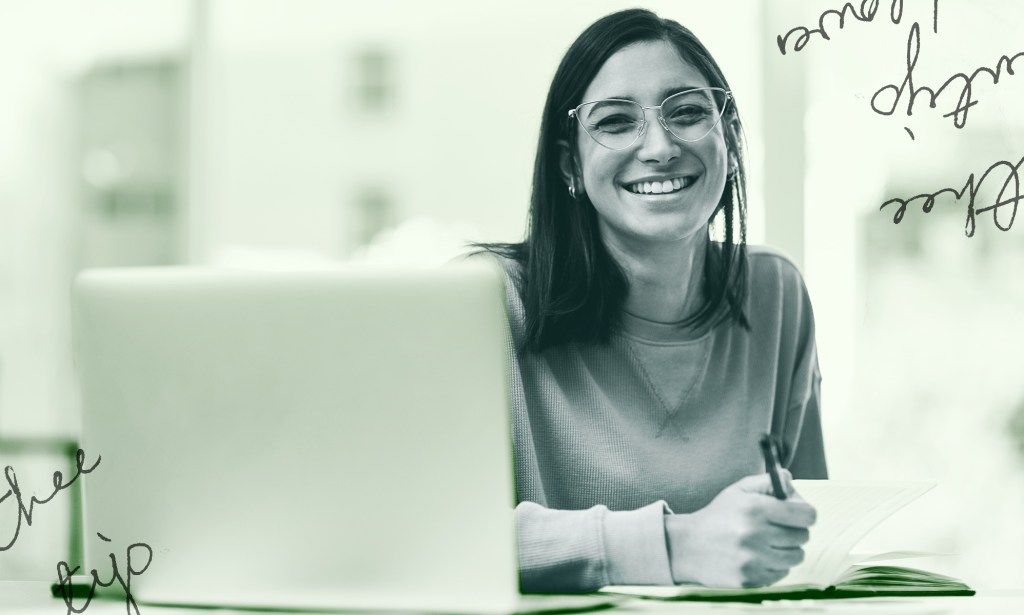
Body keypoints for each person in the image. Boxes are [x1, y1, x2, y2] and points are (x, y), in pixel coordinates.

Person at [475, 8, 826, 593]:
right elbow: (434, 538)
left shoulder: (775, 293)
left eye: (688, 112)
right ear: (570, 164)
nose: (660, 147)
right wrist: (676, 545)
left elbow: (812, 539)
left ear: (731, 139)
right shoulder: (488, 303)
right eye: (615, 123)